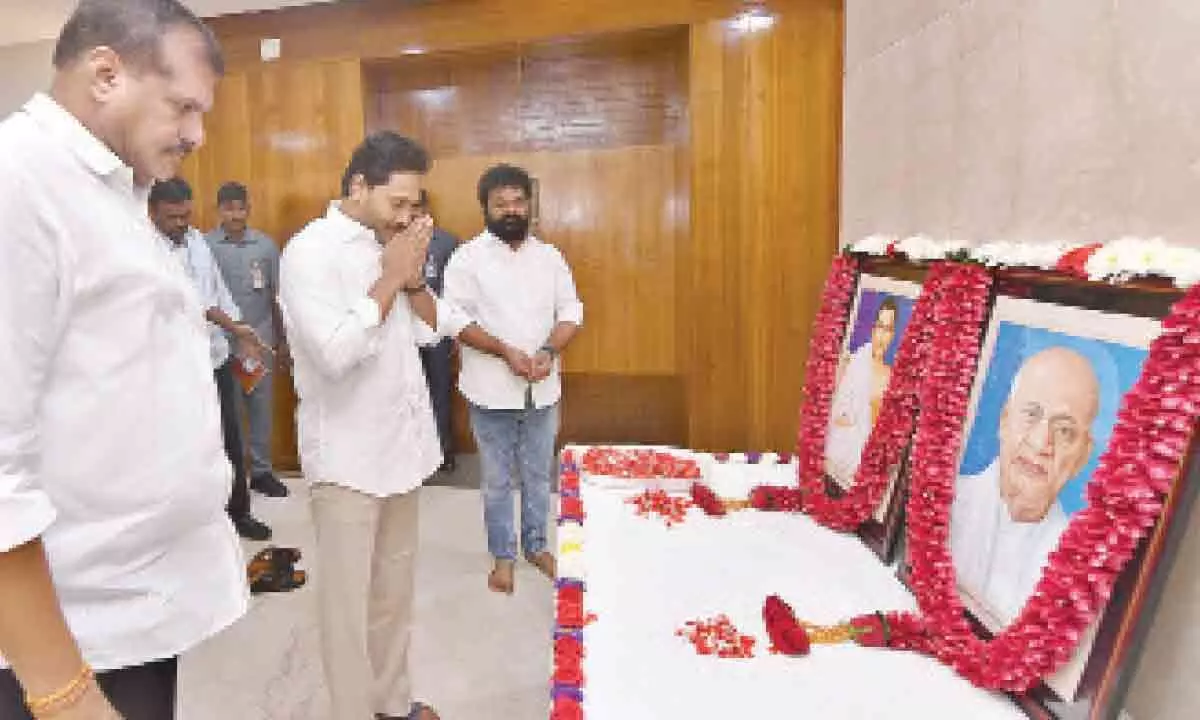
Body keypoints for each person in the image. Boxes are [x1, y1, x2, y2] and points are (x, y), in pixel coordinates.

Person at [0, 2, 246, 718]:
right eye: (184, 107)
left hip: (128, 615)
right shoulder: (19, 185)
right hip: (60, 643)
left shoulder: (112, 194)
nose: (199, 134)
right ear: (105, 73)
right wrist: (63, 692)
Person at [278, 131, 448, 720]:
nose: (408, 215)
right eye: (397, 203)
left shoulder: (394, 246)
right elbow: (333, 352)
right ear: (358, 187)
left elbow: (434, 328)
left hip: (402, 448)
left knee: (393, 596)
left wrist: (413, 276)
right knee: (346, 611)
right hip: (347, 460)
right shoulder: (310, 252)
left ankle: (391, 704)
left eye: (414, 204)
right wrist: (389, 277)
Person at [443, 163, 584, 595]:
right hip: (489, 392)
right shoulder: (467, 258)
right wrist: (503, 350)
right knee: (497, 480)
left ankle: (537, 546)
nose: (510, 210)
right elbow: (454, 319)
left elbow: (571, 311)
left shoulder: (550, 256)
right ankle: (503, 555)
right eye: (500, 203)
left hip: (542, 388)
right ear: (485, 208)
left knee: (540, 475)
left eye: (518, 201)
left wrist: (547, 351)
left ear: (530, 204)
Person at [149, 177, 272, 542]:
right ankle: (193, 522)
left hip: (214, 359)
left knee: (229, 439)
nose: (181, 224)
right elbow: (190, 302)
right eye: (173, 217)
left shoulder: (198, 243)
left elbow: (218, 292)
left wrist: (242, 333)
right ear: (152, 212)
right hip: (173, 365)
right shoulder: (144, 249)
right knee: (187, 444)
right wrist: (233, 325)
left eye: (186, 215)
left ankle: (238, 513)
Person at [951, 346, 1099, 626]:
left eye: (1065, 430)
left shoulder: (1082, 570)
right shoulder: (945, 502)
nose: (1041, 443)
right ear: (1004, 420)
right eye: (1031, 414)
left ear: (1082, 456)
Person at [206, 181, 290, 499]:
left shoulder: (265, 246)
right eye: (229, 208)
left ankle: (262, 472)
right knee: (229, 411)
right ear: (219, 211)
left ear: (248, 209)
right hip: (222, 342)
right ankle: (234, 474)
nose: (236, 215)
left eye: (241, 208)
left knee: (260, 407)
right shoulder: (206, 246)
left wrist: (281, 341)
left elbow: (276, 296)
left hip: (261, 340)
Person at [825, 298, 899, 485]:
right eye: (880, 326)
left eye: (888, 329)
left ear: (893, 334)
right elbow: (833, 412)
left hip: (864, 469)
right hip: (835, 461)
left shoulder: (891, 377)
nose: (882, 335)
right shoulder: (854, 363)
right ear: (873, 329)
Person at [413, 190, 460, 473]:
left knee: (439, 390)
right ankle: (415, 454)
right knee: (410, 393)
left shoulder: (448, 242)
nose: (413, 212)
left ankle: (444, 450)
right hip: (405, 332)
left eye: (417, 206)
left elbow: (457, 292)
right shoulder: (394, 240)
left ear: (427, 207)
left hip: (439, 329)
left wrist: (455, 332)